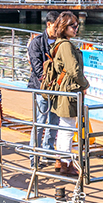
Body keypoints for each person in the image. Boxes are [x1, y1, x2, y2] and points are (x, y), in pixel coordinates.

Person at [48, 11, 90, 176]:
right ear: (64, 27)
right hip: (69, 92)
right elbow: (74, 69)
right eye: (72, 25)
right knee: (67, 128)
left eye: (76, 25)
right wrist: (85, 84)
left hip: (66, 91)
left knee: (64, 127)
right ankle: (66, 162)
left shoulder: (61, 43)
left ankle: (61, 160)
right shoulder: (65, 45)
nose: (76, 28)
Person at [27, 10, 60, 167]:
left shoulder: (62, 42)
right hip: (42, 88)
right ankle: (34, 156)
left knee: (54, 120)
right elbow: (37, 67)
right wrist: (49, 81)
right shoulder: (37, 42)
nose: (59, 29)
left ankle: (48, 151)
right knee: (40, 121)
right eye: (56, 26)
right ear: (49, 25)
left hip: (58, 88)